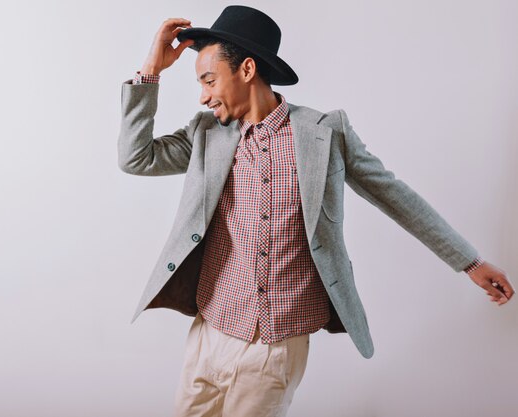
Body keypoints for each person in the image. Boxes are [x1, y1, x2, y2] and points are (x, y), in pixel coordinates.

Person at [117, 5, 513, 417]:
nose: (203, 95)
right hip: (208, 333)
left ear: (247, 70)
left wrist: (469, 261)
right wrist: (150, 71)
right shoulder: (204, 135)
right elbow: (135, 158)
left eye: (209, 80)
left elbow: (395, 196)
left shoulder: (325, 133)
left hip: (275, 347)